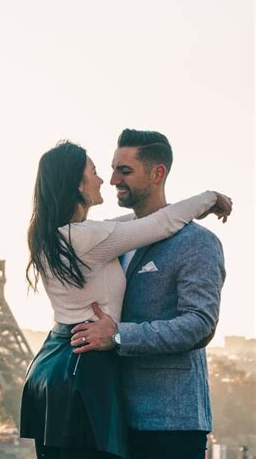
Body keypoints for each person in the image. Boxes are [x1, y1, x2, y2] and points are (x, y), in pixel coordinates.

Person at [20, 140, 231, 459]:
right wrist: (210, 197)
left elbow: (199, 324)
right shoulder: (94, 239)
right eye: (99, 171)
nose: (110, 179)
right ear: (77, 185)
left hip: (162, 414)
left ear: (157, 173)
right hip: (89, 381)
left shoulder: (66, 234)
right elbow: (158, 224)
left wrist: (119, 335)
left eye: (124, 170)